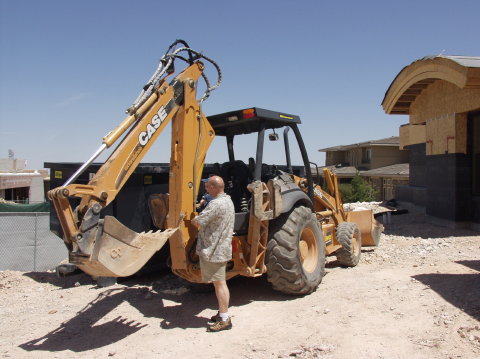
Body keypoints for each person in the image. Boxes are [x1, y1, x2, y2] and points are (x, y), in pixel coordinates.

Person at [191, 175, 235, 332]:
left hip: (214, 250)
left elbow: (198, 221)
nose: (206, 188)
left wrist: (193, 216)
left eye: (208, 186)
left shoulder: (215, 205)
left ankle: (224, 319)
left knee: (219, 283)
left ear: (215, 188)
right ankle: (221, 313)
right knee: (220, 283)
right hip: (221, 247)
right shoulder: (227, 200)